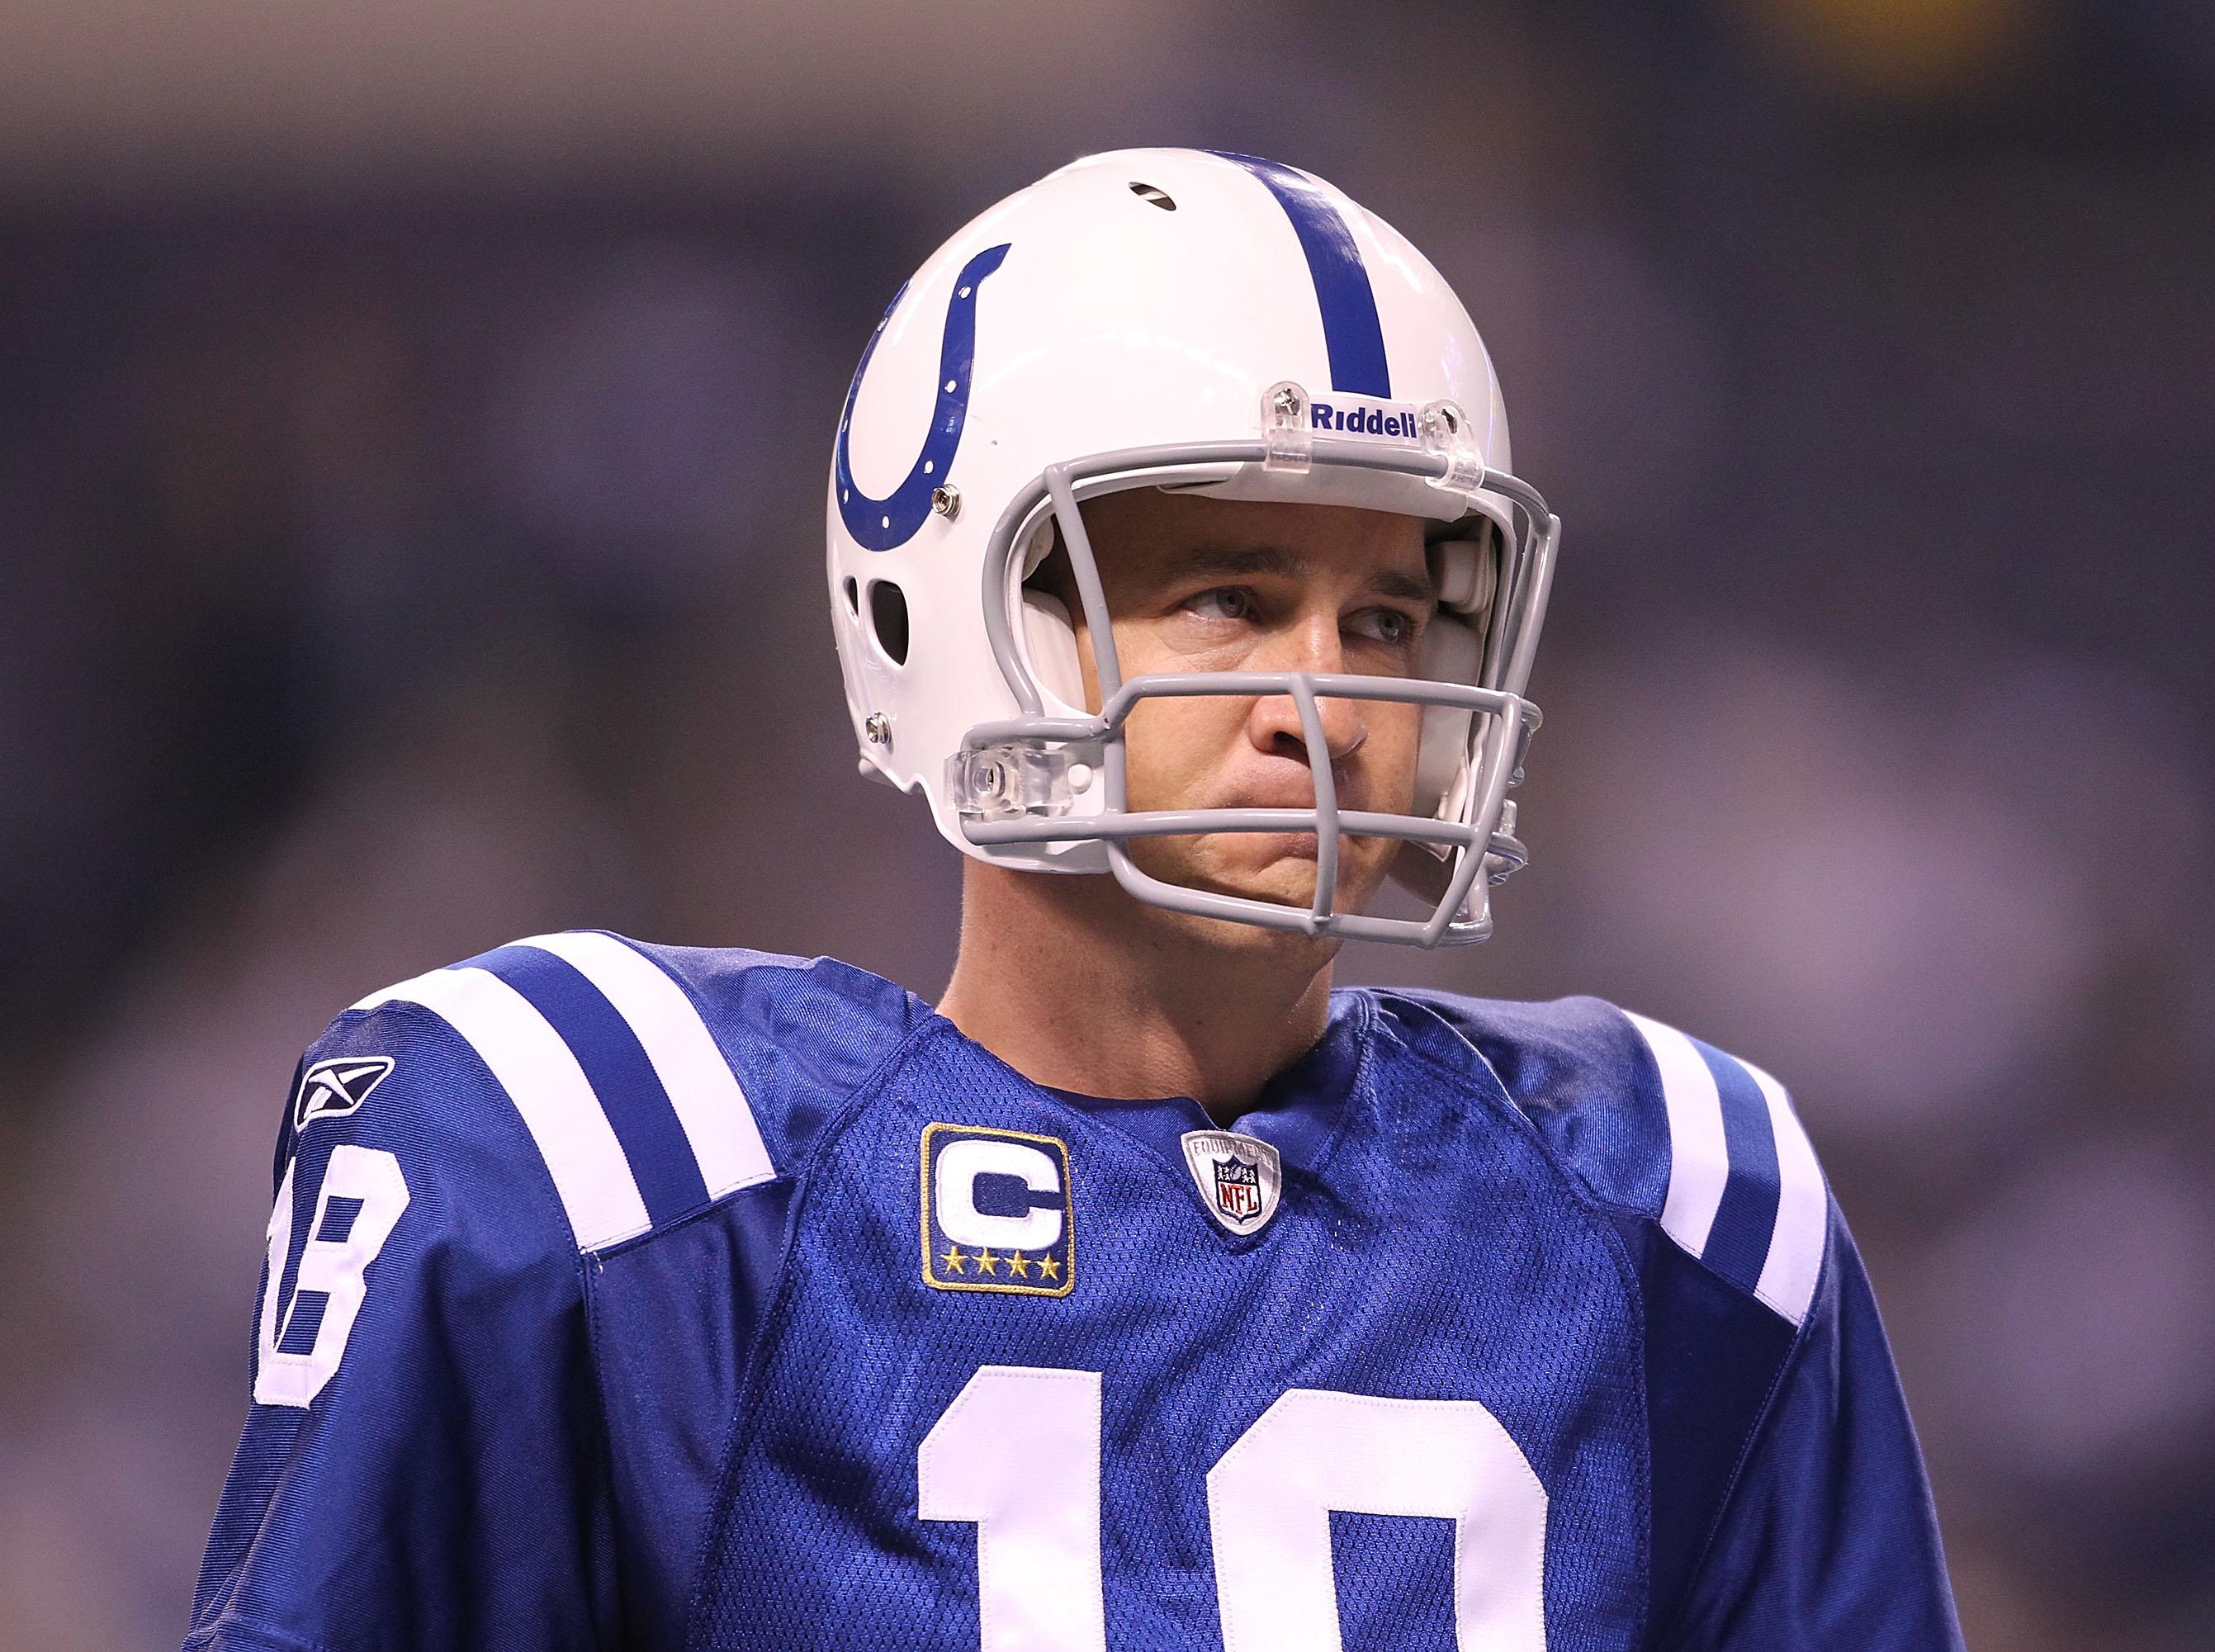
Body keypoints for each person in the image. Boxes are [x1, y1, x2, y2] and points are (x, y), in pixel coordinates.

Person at [187, 148, 1963, 1651]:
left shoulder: (1673, 1214)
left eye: (1390, 617)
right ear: (953, 606)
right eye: (1228, 596)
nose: (1322, 700)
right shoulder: (632, 1187)